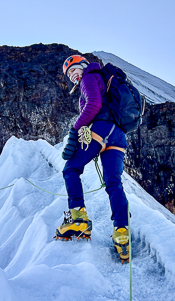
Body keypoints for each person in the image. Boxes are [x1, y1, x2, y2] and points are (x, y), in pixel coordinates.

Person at [56, 55, 130, 262]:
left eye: (74, 70)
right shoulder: (100, 77)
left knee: (71, 169)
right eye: (69, 74)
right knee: (113, 183)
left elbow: (94, 104)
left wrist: (75, 129)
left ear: (84, 66)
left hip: (100, 129)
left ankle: (78, 219)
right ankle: (121, 232)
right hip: (118, 134)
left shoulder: (89, 77)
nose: (72, 76)